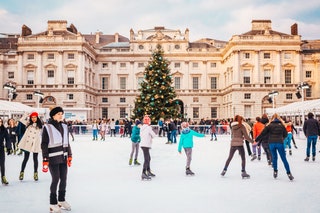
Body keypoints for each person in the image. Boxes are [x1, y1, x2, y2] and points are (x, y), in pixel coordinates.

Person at [41, 106, 72, 213]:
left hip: (63, 157)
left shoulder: (64, 126)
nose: (61, 115)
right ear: (53, 115)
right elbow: (44, 144)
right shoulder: (47, 127)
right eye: (59, 114)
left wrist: (70, 155)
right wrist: (45, 159)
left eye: (61, 113)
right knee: (55, 179)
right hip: (52, 158)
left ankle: (61, 200)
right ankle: (53, 203)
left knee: (64, 179)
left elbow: (67, 142)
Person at [256, 113, 294, 180]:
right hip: (280, 143)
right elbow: (285, 135)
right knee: (284, 158)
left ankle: (275, 171)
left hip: (271, 143)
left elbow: (262, 134)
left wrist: (256, 140)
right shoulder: (282, 126)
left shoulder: (269, 126)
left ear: (272, 119)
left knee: (274, 157)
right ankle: (288, 173)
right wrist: (281, 138)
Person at [18, 112, 43, 181]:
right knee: (26, 158)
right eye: (32, 117)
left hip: (35, 144)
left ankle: (35, 173)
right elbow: (21, 120)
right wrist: (26, 115)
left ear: (37, 117)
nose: (33, 119)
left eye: (35, 117)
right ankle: (22, 172)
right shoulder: (28, 124)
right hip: (28, 143)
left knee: (35, 159)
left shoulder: (40, 126)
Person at [140, 115, 156, 180]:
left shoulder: (142, 127)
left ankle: (148, 171)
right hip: (146, 145)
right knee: (147, 159)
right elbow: (154, 135)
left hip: (143, 144)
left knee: (148, 158)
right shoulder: (148, 128)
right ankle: (144, 172)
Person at [0, 118, 12, 185]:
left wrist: (9, 148)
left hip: (1, 148)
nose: (0, 123)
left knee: (2, 164)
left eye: (1, 122)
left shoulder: (3, 130)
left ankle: (3, 177)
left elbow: (7, 139)